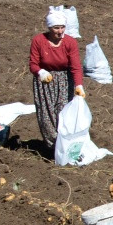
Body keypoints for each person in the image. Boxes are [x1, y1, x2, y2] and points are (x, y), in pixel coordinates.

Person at [29, 10, 84, 153]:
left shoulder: (70, 42)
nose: (60, 31)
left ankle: (65, 146)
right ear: (49, 28)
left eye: (62, 27)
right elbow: (33, 64)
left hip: (64, 81)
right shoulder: (39, 41)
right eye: (56, 28)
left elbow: (76, 66)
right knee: (46, 113)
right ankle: (52, 147)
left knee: (63, 113)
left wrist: (79, 85)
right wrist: (40, 72)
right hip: (45, 81)